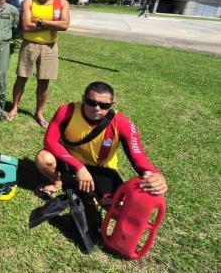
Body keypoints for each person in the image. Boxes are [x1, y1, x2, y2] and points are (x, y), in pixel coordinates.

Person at [35, 81, 168, 200]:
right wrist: (79, 167)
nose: (97, 108)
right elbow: (49, 141)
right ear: (83, 99)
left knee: (116, 205)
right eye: (91, 102)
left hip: (101, 168)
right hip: (71, 161)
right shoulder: (67, 110)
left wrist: (156, 175)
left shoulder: (122, 123)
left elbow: (138, 156)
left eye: (104, 105)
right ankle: (57, 182)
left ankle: (93, 189)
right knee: (43, 158)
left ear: (112, 104)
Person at [7, 0, 70, 127]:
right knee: (21, 77)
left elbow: (65, 25)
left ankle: (39, 113)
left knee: (44, 81)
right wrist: (52, 24)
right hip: (29, 44)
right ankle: (14, 108)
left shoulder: (62, 3)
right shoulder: (29, 2)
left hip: (49, 47)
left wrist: (40, 21)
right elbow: (26, 26)